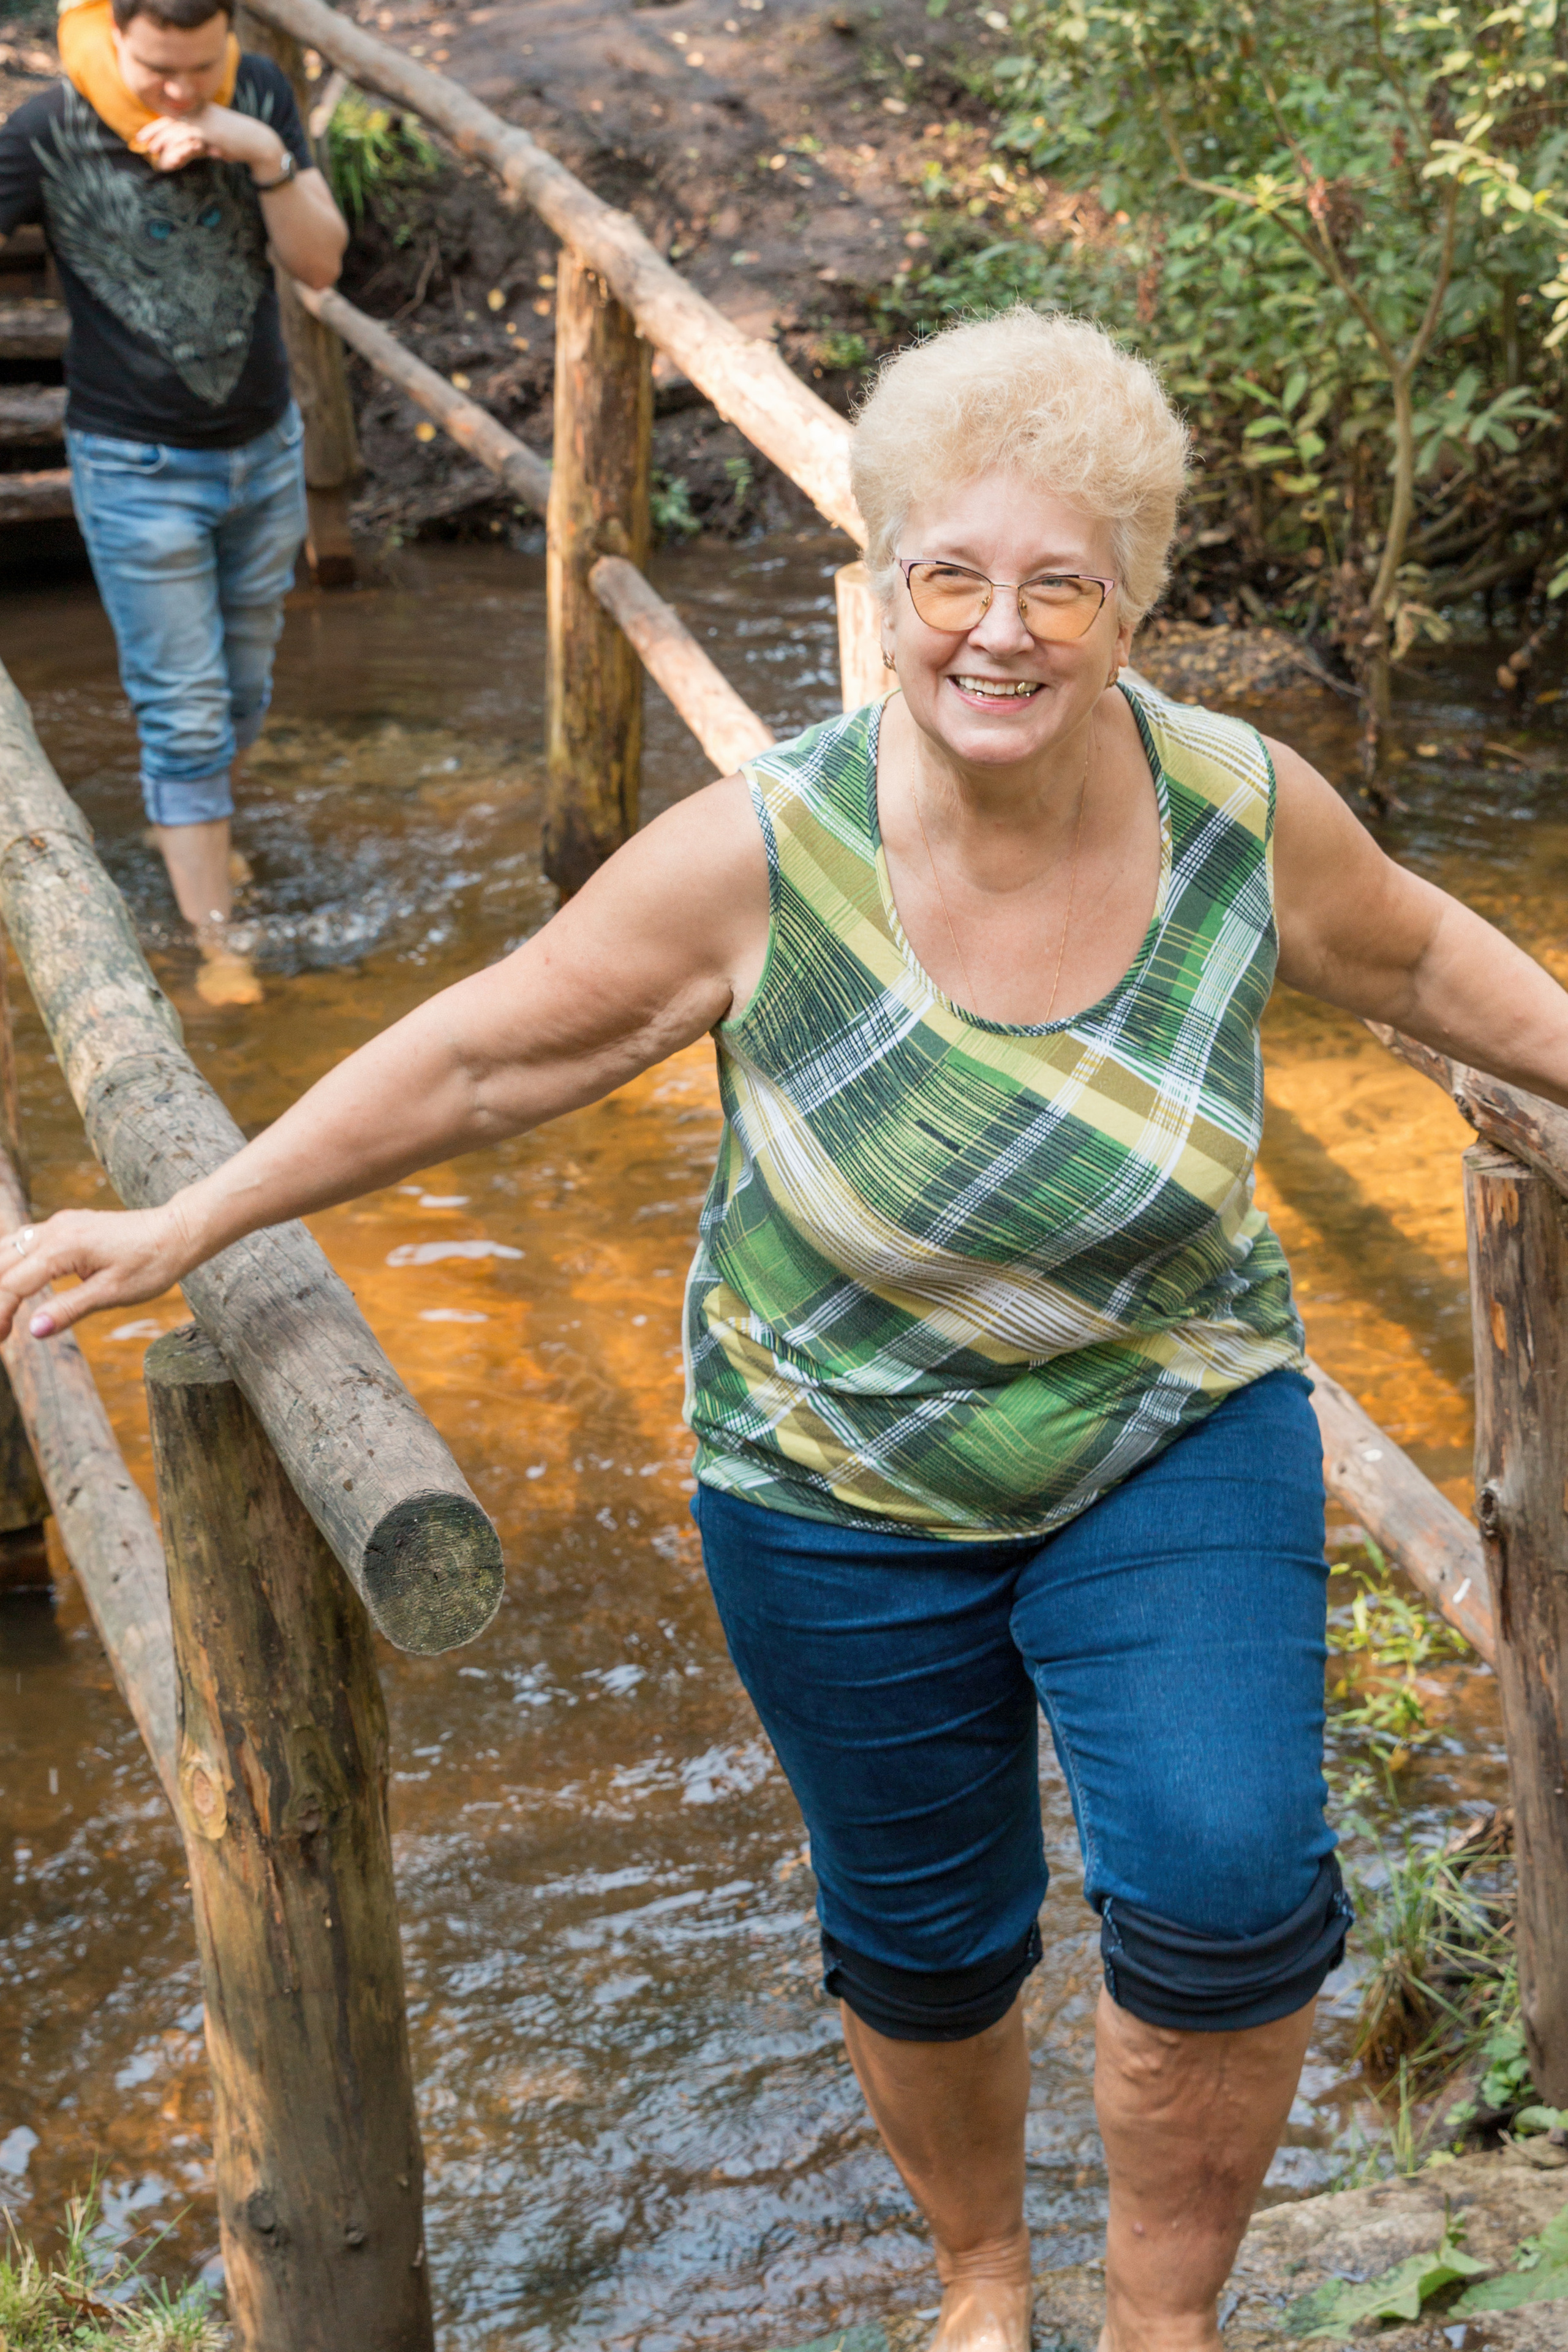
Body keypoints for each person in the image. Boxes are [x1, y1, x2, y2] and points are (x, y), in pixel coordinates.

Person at [2, 309, 1563, 2352]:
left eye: (1059, 584)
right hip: (830, 1471)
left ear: (1138, 605)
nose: (998, 633)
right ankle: (984, 2283)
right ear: (882, 583)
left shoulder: (1237, 815)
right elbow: (484, 1064)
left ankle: (1167, 2321)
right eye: (949, 576)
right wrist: (191, 1217)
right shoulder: (758, 855)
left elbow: (1430, 955)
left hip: (1167, 1422)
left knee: (1229, 1886)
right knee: (927, 1940)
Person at [0, 0, 348, 1006]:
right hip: (134, 466)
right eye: (156, 69)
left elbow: (322, 263)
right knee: (187, 716)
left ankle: (190, 831)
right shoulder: (49, 128)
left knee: (242, 693)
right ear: (114, 34)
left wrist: (261, 152)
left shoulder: (263, 93)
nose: (178, 91)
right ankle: (218, 945)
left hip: (266, 454)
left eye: (199, 67)